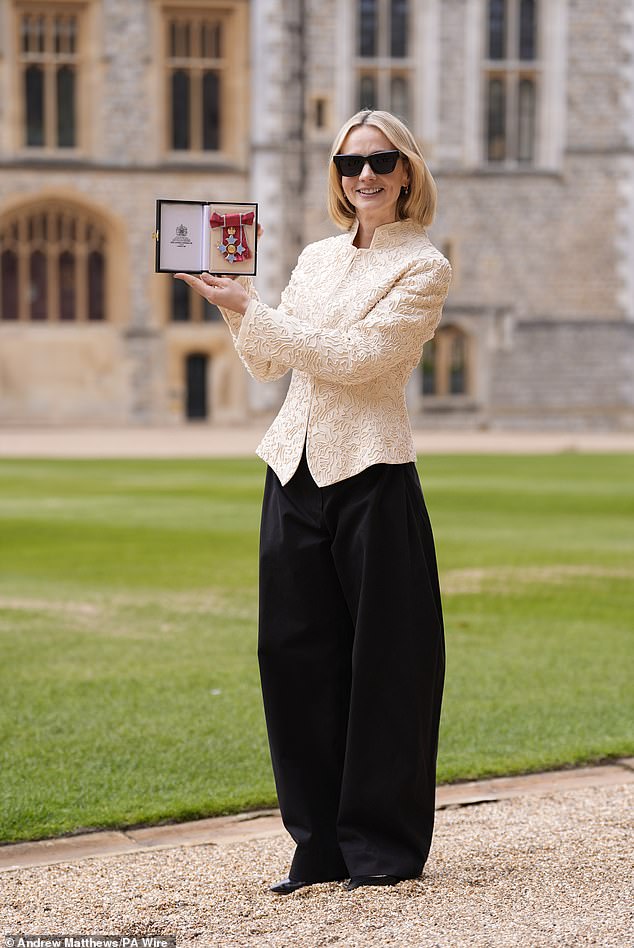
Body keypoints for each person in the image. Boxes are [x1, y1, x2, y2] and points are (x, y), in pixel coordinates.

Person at [175, 109, 452, 894]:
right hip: (291, 471)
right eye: (347, 163)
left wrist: (260, 313)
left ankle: (381, 845)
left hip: (372, 474)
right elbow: (268, 362)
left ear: (406, 171)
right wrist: (236, 305)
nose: (362, 175)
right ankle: (318, 845)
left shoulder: (424, 266)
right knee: (291, 659)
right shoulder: (315, 257)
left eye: (379, 160)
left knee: (385, 667)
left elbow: (361, 360)